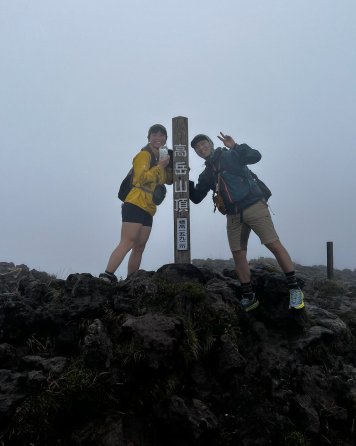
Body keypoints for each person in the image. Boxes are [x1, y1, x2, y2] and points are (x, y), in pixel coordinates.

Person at [189, 132, 304, 312]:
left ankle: (295, 289)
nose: (201, 148)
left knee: (273, 244)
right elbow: (196, 197)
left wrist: (235, 146)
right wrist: (184, 178)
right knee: (238, 254)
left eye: (203, 144)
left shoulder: (230, 155)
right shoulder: (207, 174)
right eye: (197, 147)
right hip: (233, 214)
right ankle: (249, 297)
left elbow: (255, 156)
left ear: (210, 143)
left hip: (253, 205)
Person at [100, 124, 172, 283]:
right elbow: (141, 178)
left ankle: (131, 281)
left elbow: (167, 180)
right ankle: (107, 275)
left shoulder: (162, 158)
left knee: (139, 246)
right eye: (154, 134)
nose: (158, 138)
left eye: (162, 135)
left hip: (149, 208)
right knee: (128, 241)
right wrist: (160, 166)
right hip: (135, 203)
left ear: (166, 139)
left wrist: (173, 165)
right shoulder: (144, 155)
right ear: (149, 138)